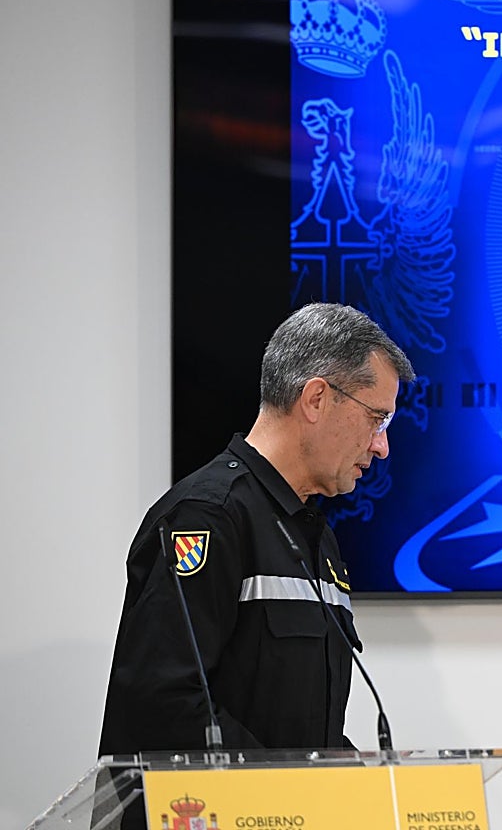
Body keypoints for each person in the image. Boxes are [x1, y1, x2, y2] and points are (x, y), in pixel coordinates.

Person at [99, 302, 414, 755]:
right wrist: (290, 786)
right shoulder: (207, 516)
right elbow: (164, 706)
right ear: (317, 399)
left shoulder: (316, 536)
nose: (382, 446)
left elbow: (302, 732)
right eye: (377, 418)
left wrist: (349, 779)